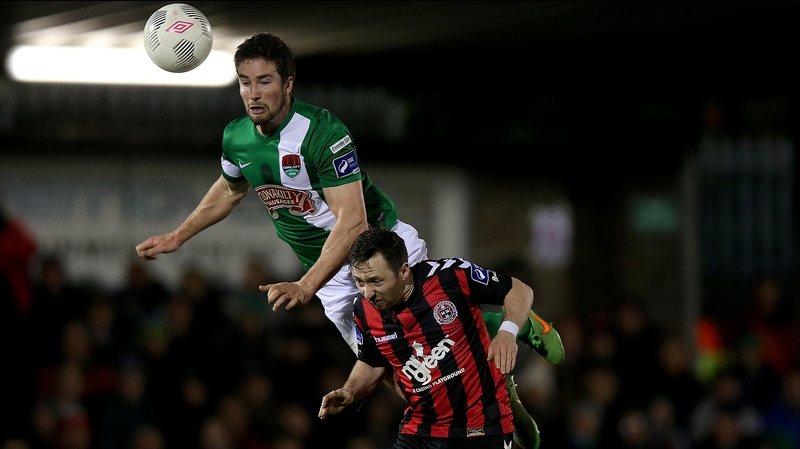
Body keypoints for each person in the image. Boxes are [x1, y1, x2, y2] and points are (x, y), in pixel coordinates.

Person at [134, 32, 562, 447]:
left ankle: (511, 331)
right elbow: (230, 189)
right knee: (402, 372)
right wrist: (178, 235)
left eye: (264, 81)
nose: (253, 94)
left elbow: (353, 222)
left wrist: (306, 285)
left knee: (424, 341)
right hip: (334, 278)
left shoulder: (322, 132)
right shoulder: (236, 136)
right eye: (245, 82)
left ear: (287, 83)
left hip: (380, 252)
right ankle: (499, 382)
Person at [318, 227, 536, 449]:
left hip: (482, 427)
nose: (367, 293)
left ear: (403, 271)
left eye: (376, 281)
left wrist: (507, 332)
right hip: (420, 430)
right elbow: (372, 362)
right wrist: (350, 390)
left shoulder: (450, 277)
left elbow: (518, 289)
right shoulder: (363, 311)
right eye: (360, 282)